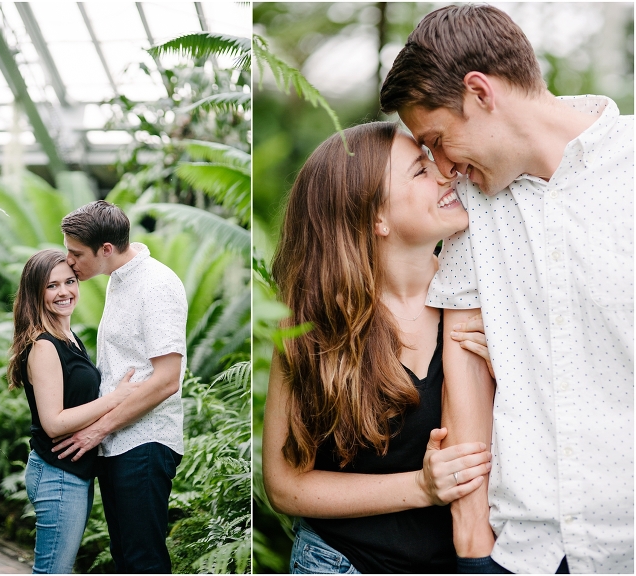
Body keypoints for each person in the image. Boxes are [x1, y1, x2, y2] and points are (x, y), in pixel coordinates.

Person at [380, 4, 633, 574]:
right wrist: (472, 543)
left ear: (479, 93)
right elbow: (464, 372)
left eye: (438, 139)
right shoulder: (469, 205)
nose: (442, 167)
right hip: (522, 553)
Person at [263, 121, 496, 574]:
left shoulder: (484, 296)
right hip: (341, 562)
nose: (446, 173)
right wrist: (421, 487)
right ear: (376, 218)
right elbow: (285, 485)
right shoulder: (311, 326)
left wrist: (514, 369)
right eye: (419, 171)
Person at [50, 200, 187, 574]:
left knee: (143, 560)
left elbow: (166, 381)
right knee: (125, 557)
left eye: (76, 254)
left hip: (144, 442)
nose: (70, 262)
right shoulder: (118, 280)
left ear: (106, 249)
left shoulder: (156, 285)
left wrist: (97, 429)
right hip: (116, 441)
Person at [6, 249, 137, 574]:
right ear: (35, 293)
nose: (64, 291)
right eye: (52, 286)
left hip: (69, 474)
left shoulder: (68, 337)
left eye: (70, 281)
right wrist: (116, 398)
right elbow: (54, 423)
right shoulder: (44, 346)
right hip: (57, 474)